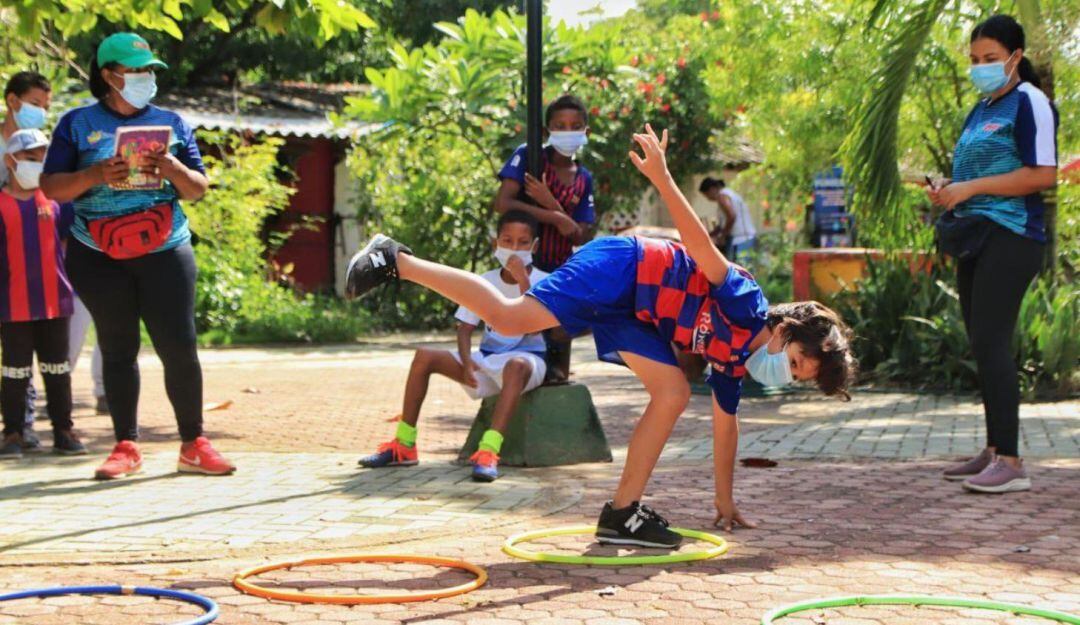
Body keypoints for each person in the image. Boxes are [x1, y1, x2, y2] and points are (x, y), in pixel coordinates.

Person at [346, 125, 856, 548]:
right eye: (793, 362)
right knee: (509, 317)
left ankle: (621, 513)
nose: (784, 375)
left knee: (674, 392)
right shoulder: (747, 304)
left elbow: (727, 430)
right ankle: (397, 259)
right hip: (625, 266)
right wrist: (663, 179)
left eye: (796, 378)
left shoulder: (732, 364)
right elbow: (701, 248)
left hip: (633, 310)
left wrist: (724, 501)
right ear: (784, 330)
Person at [40, 32, 235, 479]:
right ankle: (126, 445)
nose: (146, 77)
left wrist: (173, 168)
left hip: (166, 249)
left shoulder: (172, 123)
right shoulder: (76, 124)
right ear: (109, 75)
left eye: (149, 70)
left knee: (179, 346)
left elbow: (198, 189)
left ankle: (194, 444)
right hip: (97, 253)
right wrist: (93, 174)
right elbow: (50, 188)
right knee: (117, 348)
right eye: (135, 70)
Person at [928, 15, 1058, 494]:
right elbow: (974, 176)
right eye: (974, 59)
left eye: (990, 58)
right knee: (981, 343)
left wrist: (971, 188)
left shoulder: (1031, 101)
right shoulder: (981, 109)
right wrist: (949, 188)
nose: (980, 67)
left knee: (992, 342)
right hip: (975, 235)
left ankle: (1012, 462)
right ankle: (993, 449)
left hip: (1013, 235)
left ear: (1015, 57)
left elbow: (1043, 174)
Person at [358, 210, 549, 482]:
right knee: (425, 356)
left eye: (522, 242)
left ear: (535, 247)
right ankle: (405, 444)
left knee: (515, 365)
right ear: (495, 243)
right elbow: (465, 327)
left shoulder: (545, 281)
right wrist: (466, 361)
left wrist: (522, 281)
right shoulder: (484, 280)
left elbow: (536, 327)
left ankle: (489, 450)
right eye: (507, 241)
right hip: (487, 359)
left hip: (528, 361)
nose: (514, 248)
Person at [494, 94, 596, 382]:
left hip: (561, 265)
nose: (568, 132)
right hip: (525, 259)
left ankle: (557, 374)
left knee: (562, 324)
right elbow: (503, 203)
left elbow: (578, 233)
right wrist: (556, 217)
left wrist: (551, 203)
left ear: (586, 131)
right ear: (546, 130)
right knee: (525, 323)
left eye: (575, 126)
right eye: (560, 126)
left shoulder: (583, 178)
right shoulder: (530, 157)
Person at [0, 129, 86, 458]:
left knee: (57, 370)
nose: (37, 164)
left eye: (42, 158)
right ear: (10, 161)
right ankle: (12, 433)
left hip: (55, 301)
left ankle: (63, 430)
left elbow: (66, 243)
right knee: (15, 372)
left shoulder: (58, 201)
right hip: (13, 305)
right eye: (30, 157)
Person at [2, 71, 53, 451]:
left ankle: (22, 426)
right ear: (12, 101)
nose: (41, 112)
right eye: (36, 104)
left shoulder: (42, 150)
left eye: (45, 107)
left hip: (24, 269)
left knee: (21, 352)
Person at [699, 177, 756, 264]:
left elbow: (732, 216)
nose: (708, 199)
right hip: (744, 238)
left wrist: (722, 236)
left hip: (741, 238)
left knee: (738, 268)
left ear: (712, 189)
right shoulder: (729, 194)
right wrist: (709, 235)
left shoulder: (722, 196)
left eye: (707, 195)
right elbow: (722, 224)